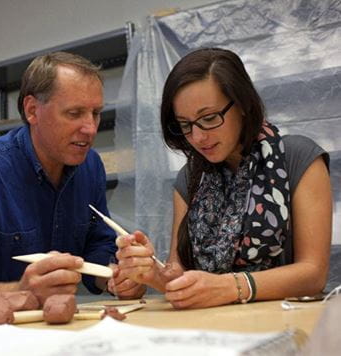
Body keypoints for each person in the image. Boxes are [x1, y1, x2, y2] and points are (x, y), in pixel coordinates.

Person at [0, 52, 145, 321]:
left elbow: (96, 245)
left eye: (95, 113)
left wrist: (116, 275)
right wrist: (22, 291)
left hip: (41, 328)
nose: (90, 128)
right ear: (32, 110)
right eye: (74, 113)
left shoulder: (90, 166)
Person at [115, 48, 332, 309]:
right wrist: (152, 272)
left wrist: (231, 286)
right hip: (212, 330)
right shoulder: (189, 180)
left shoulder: (298, 159)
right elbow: (180, 276)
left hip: (286, 324)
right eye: (185, 124)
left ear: (241, 104)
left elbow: (313, 274)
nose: (197, 137)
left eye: (209, 118)